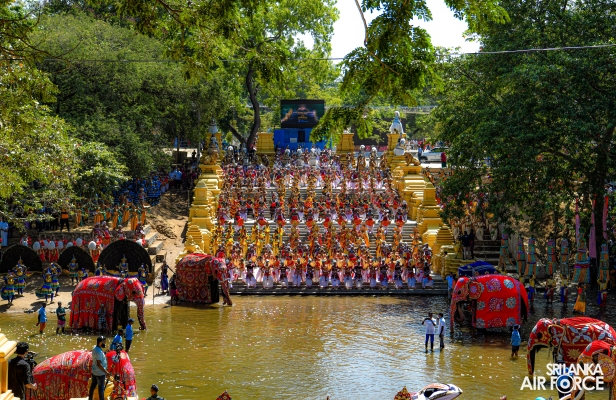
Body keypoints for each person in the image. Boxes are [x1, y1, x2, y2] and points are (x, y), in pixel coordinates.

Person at [89, 336, 111, 400]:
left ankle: (90, 398)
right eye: (104, 342)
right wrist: (106, 372)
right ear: (101, 342)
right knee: (101, 389)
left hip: (94, 372)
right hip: (100, 374)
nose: (105, 343)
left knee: (92, 386)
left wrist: (105, 352)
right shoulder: (99, 352)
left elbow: (98, 356)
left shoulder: (95, 348)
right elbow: (99, 364)